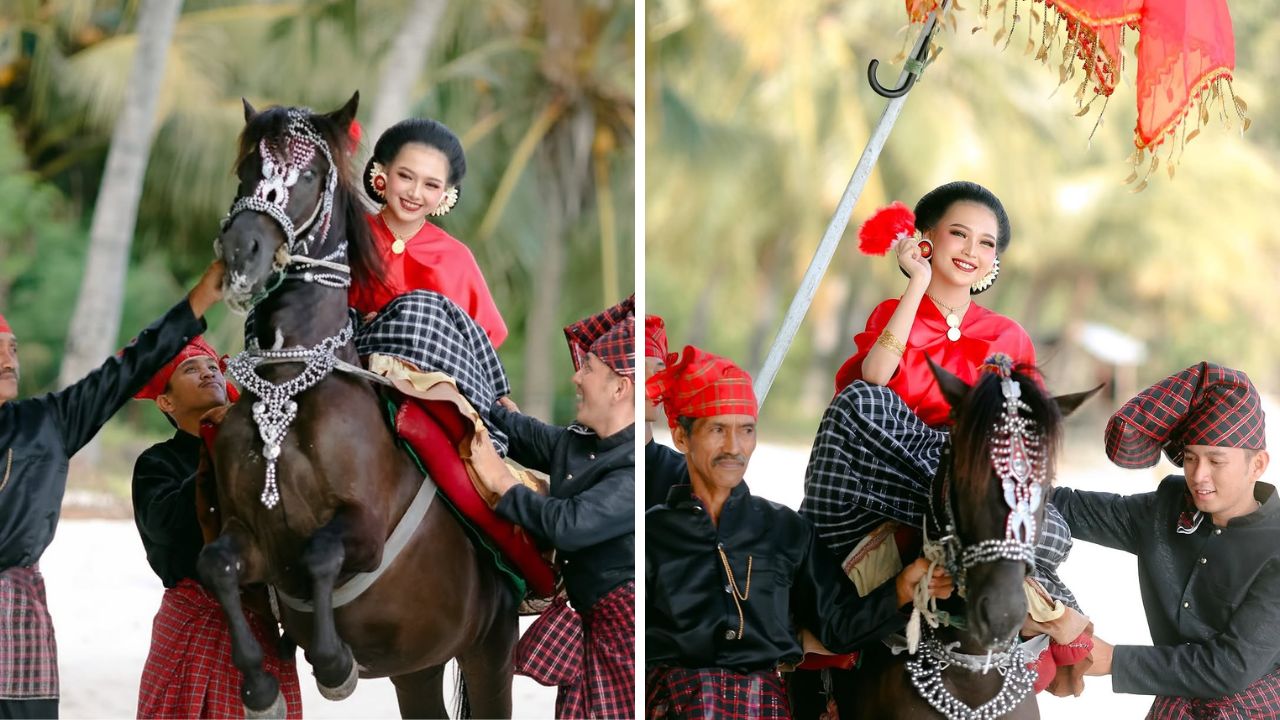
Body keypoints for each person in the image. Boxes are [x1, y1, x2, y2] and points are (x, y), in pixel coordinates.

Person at [797, 181, 1088, 708]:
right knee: (859, 402)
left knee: (1042, 523)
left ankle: (1029, 610)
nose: (971, 252)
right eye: (958, 235)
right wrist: (917, 285)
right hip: (892, 470)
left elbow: (1021, 432)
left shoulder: (1009, 335)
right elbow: (875, 376)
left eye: (986, 243)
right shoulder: (897, 310)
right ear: (925, 239)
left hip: (971, 479)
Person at [645, 345, 952, 719]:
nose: (734, 447)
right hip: (674, 706)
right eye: (717, 429)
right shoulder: (649, 535)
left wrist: (902, 588)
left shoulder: (786, 531)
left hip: (763, 707)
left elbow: (838, 626)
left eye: (746, 430)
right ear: (680, 437)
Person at [0, 260, 224, 718]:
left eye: (13, 348)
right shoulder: (156, 466)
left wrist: (200, 298)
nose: (9, 360)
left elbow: (126, 369)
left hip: (14, 616)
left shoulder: (45, 424)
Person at [1051, 362, 1280, 717]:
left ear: (1258, 465)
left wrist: (1113, 659)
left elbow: (1232, 667)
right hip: (1179, 694)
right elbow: (1071, 508)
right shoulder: (1167, 509)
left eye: (1216, 461)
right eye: (1190, 458)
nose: (1199, 475)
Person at [476, 297, 636, 719]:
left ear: (620, 388)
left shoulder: (638, 466)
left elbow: (569, 525)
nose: (576, 377)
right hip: (595, 628)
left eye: (588, 369)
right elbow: (525, 433)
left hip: (631, 639)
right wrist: (472, 396)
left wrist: (502, 483)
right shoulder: (582, 442)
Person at [130, 337, 303, 719]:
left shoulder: (259, 453)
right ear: (166, 402)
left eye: (212, 367)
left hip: (257, 623)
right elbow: (169, 529)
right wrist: (218, 447)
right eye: (190, 370)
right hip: (194, 624)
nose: (208, 372)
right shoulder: (157, 464)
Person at [351, 117, 507, 348]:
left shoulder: (455, 258)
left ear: (445, 195)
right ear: (383, 174)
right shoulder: (349, 231)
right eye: (405, 176)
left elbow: (489, 335)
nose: (414, 193)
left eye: (431, 185)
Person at [644, 314, 687, 508]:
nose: (652, 380)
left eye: (659, 371)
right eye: (638, 369)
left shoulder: (684, 477)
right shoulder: (578, 455)